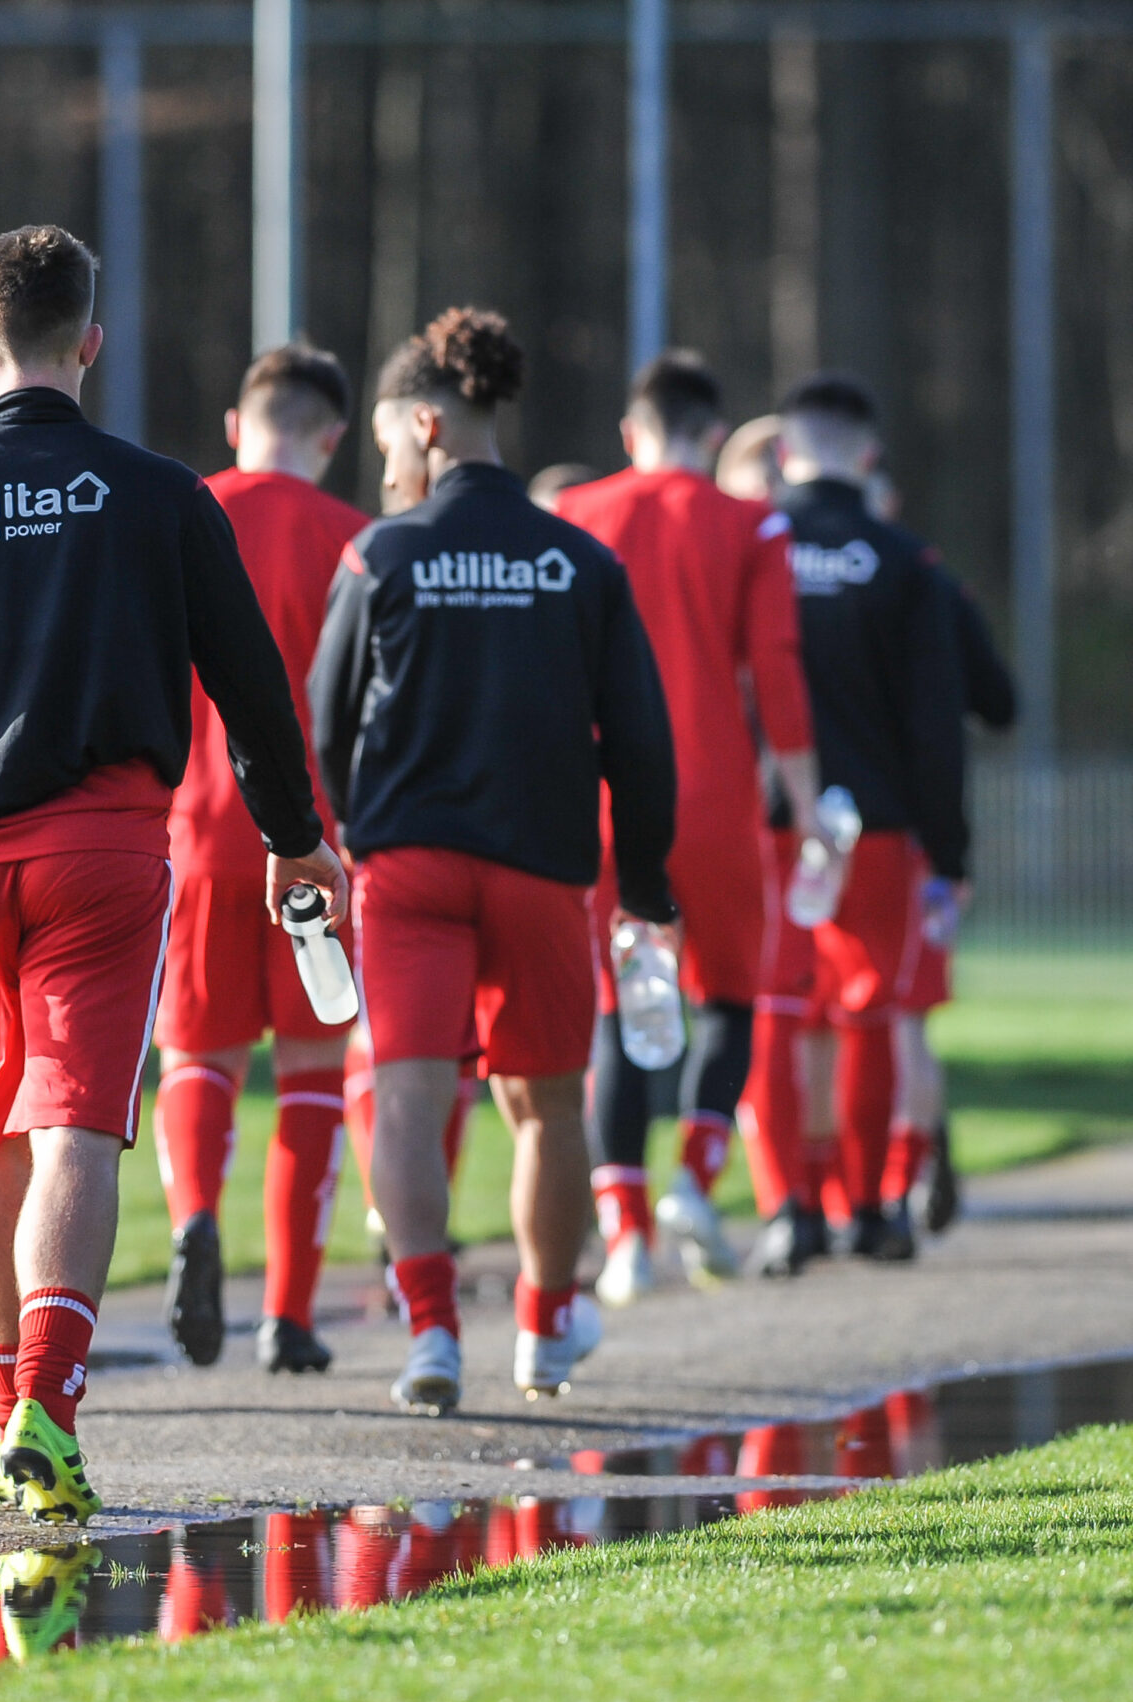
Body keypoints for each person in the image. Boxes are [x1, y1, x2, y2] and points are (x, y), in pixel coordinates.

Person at [0, 225, 344, 1523]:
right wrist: (293, 833)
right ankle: (46, 1417)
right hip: (103, 848)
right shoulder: (162, 494)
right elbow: (251, 685)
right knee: (76, 1132)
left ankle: (7, 1413)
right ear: (90, 343)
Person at [309, 306, 677, 1414]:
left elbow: (324, 721)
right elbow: (642, 740)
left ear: (426, 425)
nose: (385, 468)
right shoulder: (580, 561)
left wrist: (348, 831)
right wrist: (645, 884)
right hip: (543, 866)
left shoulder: (381, 552)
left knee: (409, 1095)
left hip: (409, 865)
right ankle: (543, 1328)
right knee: (549, 1106)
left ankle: (430, 1332)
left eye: (388, 442)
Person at [553, 352, 820, 1301]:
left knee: (619, 1005)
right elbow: (777, 666)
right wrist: (807, 798)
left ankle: (625, 1237)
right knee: (731, 998)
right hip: (712, 794)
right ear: (714, 436)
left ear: (632, 432)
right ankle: (696, 1184)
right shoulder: (752, 523)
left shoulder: (577, 512)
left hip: (600, 796)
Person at [154, 343, 365, 1374]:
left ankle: (194, 1217)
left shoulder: (180, 513)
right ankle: (288, 1312)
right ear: (332, 438)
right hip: (314, 843)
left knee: (198, 1056)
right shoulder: (354, 539)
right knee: (313, 1071)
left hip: (195, 830)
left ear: (239, 425)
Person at [736, 373, 967, 1266]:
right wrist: (949, 846)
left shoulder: (751, 540)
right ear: (868, 455)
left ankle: (786, 1209)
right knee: (869, 1013)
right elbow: (936, 722)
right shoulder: (905, 559)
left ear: (783, 450)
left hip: (764, 819)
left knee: (774, 1009)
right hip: (874, 822)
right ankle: (870, 1209)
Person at [889, 569, 1014, 1231]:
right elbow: (999, 702)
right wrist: (950, 851)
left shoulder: (785, 562)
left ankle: (838, 1196)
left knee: (827, 1019)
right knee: (901, 1015)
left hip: (802, 831)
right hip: (908, 832)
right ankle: (907, 1177)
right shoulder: (924, 580)